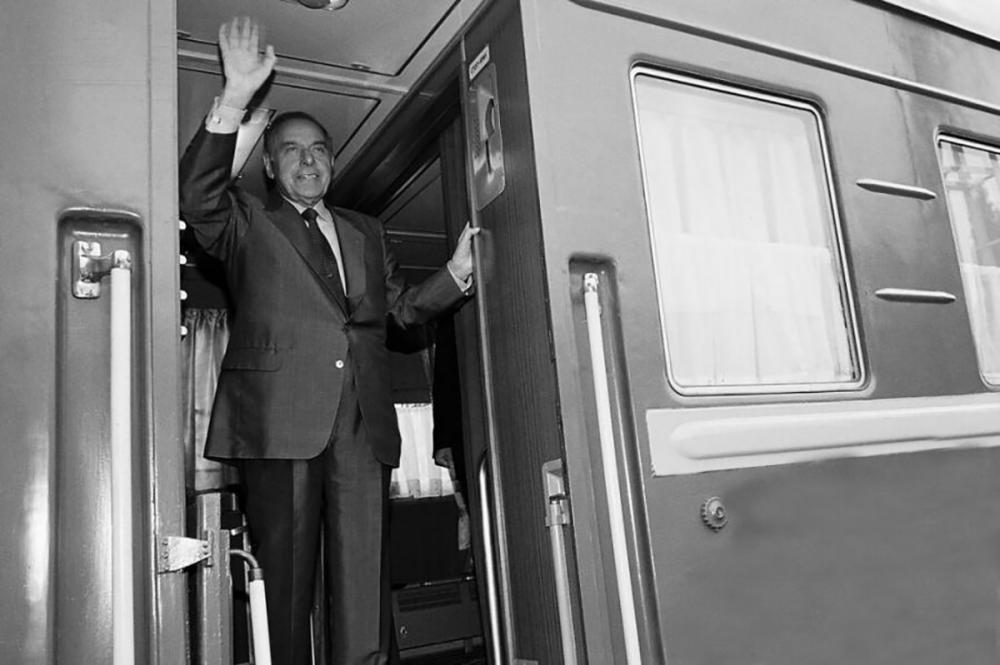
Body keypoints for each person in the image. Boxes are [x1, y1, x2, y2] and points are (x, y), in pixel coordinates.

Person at [178, 17, 478, 665]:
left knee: (364, 583)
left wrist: (454, 276)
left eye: (319, 149)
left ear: (334, 162)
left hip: (362, 424)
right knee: (286, 586)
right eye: (291, 150)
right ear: (268, 164)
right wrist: (235, 98)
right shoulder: (246, 221)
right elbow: (197, 197)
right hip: (279, 422)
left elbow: (399, 313)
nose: (308, 160)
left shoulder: (367, 230)